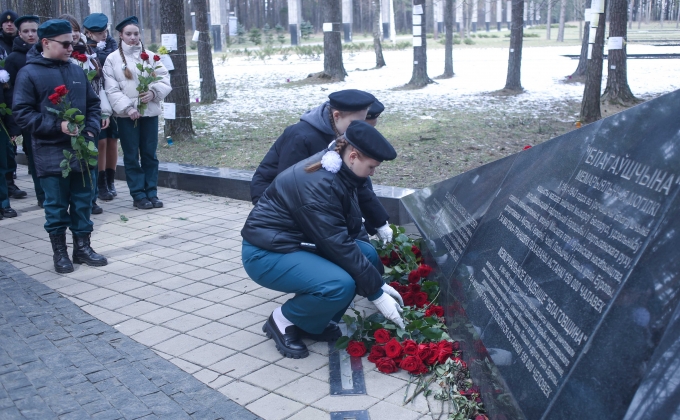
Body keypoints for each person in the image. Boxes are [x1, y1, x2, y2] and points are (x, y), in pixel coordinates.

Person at [241, 120, 405, 359]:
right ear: (353, 156)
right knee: (339, 284)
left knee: (367, 255)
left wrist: (376, 283)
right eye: (371, 167)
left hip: (296, 243)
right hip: (266, 253)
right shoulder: (320, 185)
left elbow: (346, 234)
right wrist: (377, 294)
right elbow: (338, 244)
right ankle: (282, 320)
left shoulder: (338, 166)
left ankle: (312, 322)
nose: (373, 173)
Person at [13, 19, 107, 273]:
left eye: (72, 43)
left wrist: (90, 130)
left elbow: (93, 105)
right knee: (56, 205)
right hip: (50, 151)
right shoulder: (29, 73)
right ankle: (60, 252)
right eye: (65, 44)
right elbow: (22, 113)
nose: (70, 48)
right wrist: (57, 126)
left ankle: (82, 248)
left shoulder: (76, 71)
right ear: (46, 43)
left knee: (83, 201)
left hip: (82, 148)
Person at [250, 90, 394, 243]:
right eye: (355, 123)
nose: (360, 129)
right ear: (337, 116)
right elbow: (289, 187)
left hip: (311, 199)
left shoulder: (344, 134)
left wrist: (379, 222)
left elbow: (356, 182)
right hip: (275, 205)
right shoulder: (302, 136)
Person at [103, 16, 171, 210]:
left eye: (136, 34)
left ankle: (152, 192)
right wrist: (128, 108)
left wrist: (153, 92)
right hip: (127, 117)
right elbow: (111, 89)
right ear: (121, 35)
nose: (133, 38)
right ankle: (138, 194)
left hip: (150, 114)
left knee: (150, 154)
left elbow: (164, 78)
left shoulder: (150, 57)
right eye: (128, 34)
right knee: (132, 155)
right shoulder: (112, 59)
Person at [60, 13, 112, 215]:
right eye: (68, 30)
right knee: (74, 158)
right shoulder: (61, 56)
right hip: (69, 114)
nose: (73, 34)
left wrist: (104, 112)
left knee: (91, 156)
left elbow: (99, 85)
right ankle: (74, 200)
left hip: (90, 113)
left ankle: (91, 198)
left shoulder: (89, 51)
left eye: (75, 30)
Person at [3, 15, 42, 207]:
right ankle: (42, 195)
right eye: (26, 31)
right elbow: (10, 93)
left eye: (34, 30)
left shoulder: (45, 52)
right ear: (19, 34)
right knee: (34, 156)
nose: (31, 34)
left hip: (48, 112)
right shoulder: (14, 58)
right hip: (29, 115)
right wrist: (16, 122)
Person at [83, 13, 119, 203]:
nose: (103, 35)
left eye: (105, 31)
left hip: (114, 99)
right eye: (98, 33)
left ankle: (111, 181)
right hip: (97, 101)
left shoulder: (113, 46)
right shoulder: (85, 49)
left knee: (113, 140)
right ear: (88, 33)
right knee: (101, 142)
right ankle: (101, 182)